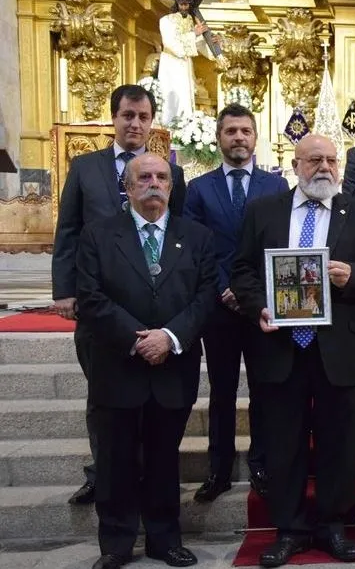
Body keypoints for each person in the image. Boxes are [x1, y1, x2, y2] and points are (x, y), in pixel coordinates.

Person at [230, 134, 355, 566]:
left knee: (339, 441)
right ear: (296, 165)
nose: (323, 167)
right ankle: (290, 528)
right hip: (280, 346)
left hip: (338, 349)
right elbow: (242, 269)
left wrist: (352, 276)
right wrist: (261, 305)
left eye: (330, 160)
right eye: (314, 160)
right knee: (284, 441)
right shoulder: (264, 211)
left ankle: (331, 526)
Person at [75, 153, 218, 569]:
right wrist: (137, 340)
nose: (154, 183)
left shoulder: (196, 236)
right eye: (144, 177)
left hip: (172, 366)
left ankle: (163, 538)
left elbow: (205, 295)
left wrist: (170, 337)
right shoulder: (99, 235)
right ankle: (116, 544)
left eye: (162, 177)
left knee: (162, 457)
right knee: (116, 459)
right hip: (118, 365)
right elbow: (91, 297)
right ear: (127, 186)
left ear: (172, 186)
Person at [51, 84, 187, 507]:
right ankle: (102, 470)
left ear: (151, 121)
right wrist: (65, 289)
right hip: (99, 303)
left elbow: (175, 234)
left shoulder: (168, 172)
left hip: (152, 300)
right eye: (128, 115)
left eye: (143, 117)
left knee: (150, 398)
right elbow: (68, 228)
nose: (136, 124)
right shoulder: (85, 167)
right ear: (115, 118)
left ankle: (145, 472)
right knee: (104, 396)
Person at [183, 104, 289, 503]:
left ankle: (261, 463)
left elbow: (280, 244)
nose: (239, 138)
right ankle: (219, 469)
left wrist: (250, 292)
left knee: (264, 388)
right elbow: (194, 248)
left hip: (261, 306)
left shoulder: (276, 187)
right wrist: (222, 287)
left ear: (255, 137)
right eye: (231, 131)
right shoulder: (199, 189)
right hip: (219, 308)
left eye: (245, 130)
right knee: (222, 389)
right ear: (219, 138)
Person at [158, 0, 218, 127]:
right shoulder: (166, 21)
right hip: (170, 64)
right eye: (182, 4)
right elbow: (171, 44)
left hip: (185, 64)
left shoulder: (191, 21)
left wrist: (213, 45)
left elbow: (200, 45)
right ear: (177, 3)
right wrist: (194, 34)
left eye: (187, 4)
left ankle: (184, 129)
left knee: (186, 101)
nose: (184, 8)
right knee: (172, 100)